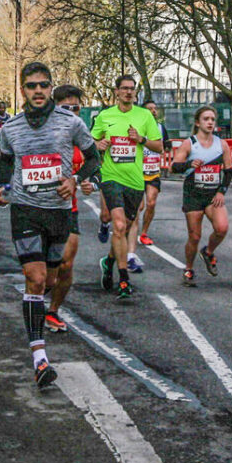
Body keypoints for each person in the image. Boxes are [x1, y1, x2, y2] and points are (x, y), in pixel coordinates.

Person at [0, 62, 101, 388]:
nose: (37, 91)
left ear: (50, 87)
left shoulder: (70, 122)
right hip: (25, 210)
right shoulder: (10, 128)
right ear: (22, 90)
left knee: (51, 278)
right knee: (35, 278)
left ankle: (39, 317)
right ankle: (40, 358)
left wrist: (77, 178)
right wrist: (4, 188)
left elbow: (94, 157)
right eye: (31, 86)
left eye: (43, 85)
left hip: (59, 212)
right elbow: (6, 160)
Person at [91, 75, 163, 299]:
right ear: (117, 92)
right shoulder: (105, 116)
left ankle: (109, 261)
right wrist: (99, 144)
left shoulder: (144, 116)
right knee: (119, 226)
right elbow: (90, 142)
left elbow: (159, 146)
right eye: (124, 89)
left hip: (135, 181)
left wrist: (140, 139)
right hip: (111, 177)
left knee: (126, 227)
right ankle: (123, 279)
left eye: (132, 89)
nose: (128, 92)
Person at [45, 85, 96, 333]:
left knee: (66, 263)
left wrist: (85, 182)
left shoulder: (81, 135)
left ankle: (53, 311)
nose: (72, 112)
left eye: (76, 107)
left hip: (68, 207)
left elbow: (94, 164)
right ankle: (37, 296)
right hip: (40, 206)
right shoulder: (44, 131)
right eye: (66, 107)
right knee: (45, 270)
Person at [170, 106, 232, 286]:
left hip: (213, 194)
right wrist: (190, 163)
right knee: (195, 236)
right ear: (198, 122)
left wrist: (222, 191)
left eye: (213, 119)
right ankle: (189, 268)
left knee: (222, 228)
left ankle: (208, 252)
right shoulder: (189, 143)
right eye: (206, 119)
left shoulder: (222, 144)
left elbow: (229, 172)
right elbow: (173, 167)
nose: (210, 122)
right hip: (193, 194)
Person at [136, 100, 171, 246]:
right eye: (150, 109)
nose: (154, 111)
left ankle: (143, 233)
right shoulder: (136, 127)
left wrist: (164, 149)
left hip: (153, 172)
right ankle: (131, 231)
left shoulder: (160, 128)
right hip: (137, 172)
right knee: (139, 206)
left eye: (155, 109)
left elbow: (167, 145)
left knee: (151, 203)